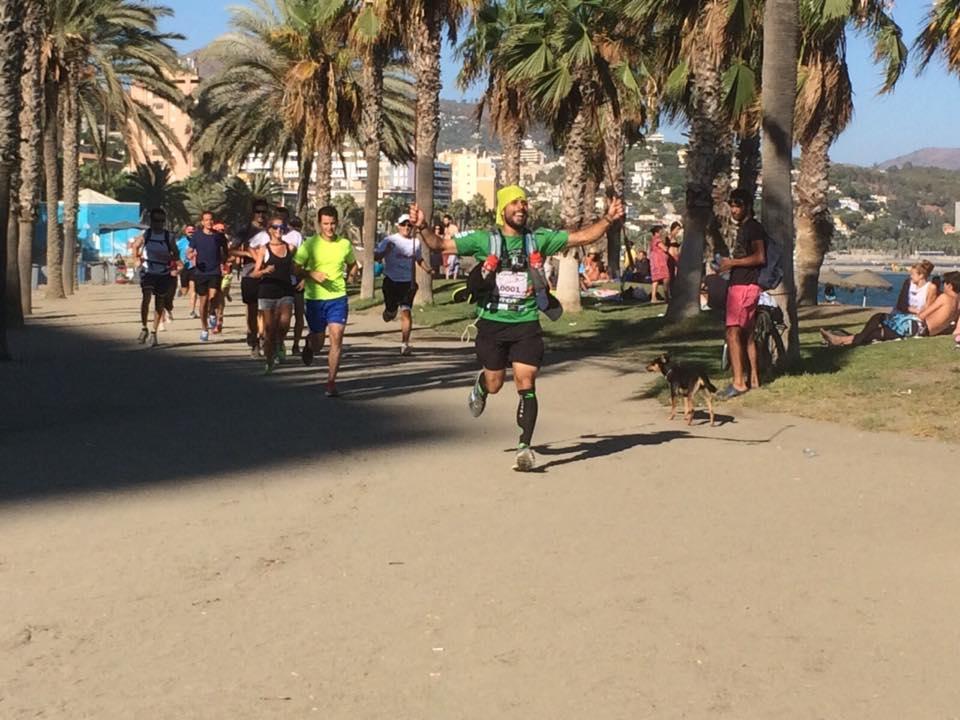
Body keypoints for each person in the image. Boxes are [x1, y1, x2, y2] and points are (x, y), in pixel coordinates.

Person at [410, 184, 626, 472]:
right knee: (496, 383)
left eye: (524, 203)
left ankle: (525, 447)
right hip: (492, 324)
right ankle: (482, 386)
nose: (521, 207)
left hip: (526, 324)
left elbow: (581, 237)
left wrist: (608, 218)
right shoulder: (484, 240)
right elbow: (439, 246)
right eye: (515, 203)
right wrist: (423, 227)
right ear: (502, 210)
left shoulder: (538, 240)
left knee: (526, 382)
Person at [293, 205, 359, 397]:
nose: (329, 228)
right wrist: (310, 273)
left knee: (337, 337)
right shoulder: (310, 244)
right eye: (325, 224)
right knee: (319, 343)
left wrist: (352, 275)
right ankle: (309, 344)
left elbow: (352, 264)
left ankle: (331, 382)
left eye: (332, 224)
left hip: (337, 298)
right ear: (319, 224)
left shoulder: (344, 244)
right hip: (315, 299)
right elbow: (294, 268)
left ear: (337, 223)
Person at [821, 261, 942, 347]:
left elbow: (927, 310)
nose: (910, 276)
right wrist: (914, 309)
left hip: (913, 321)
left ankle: (841, 340)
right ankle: (844, 340)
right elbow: (901, 304)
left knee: (876, 330)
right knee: (876, 322)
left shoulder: (930, 288)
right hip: (901, 315)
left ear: (921, 275)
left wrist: (912, 310)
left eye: (913, 274)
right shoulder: (908, 283)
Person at [718, 188, 766, 399]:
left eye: (738, 206)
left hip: (744, 286)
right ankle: (753, 378)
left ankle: (739, 383)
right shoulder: (746, 228)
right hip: (743, 284)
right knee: (747, 335)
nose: (734, 210)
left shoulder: (753, 228)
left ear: (747, 206)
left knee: (732, 332)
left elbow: (760, 257)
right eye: (732, 206)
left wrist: (733, 263)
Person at [375, 213, 431, 356]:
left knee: (406, 312)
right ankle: (389, 312)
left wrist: (428, 269)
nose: (407, 227)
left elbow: (418, 259)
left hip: (407, 283)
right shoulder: (389, 240)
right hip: (391, 281)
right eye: (404, 224)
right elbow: (376, 257)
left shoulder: (415, 243)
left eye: (409, 225)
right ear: (398, 226)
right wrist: (386, 251)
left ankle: (404, 344)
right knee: (391, 313)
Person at [251, 214, 296, 374]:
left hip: (286, 290)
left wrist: (302, 276)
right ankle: (269, 361)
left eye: (282, 228)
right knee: (269, 329)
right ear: (269, 230)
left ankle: (279, 343)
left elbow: (294, 268)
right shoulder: (264, 249)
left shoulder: (291, 247)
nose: (279, 230)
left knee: (284, 324)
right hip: (267, 291)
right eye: (275, 227)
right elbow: (254, 273)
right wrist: (265, 270)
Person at [132, 208, 181, 347]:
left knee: (159, 302)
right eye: (156, 221)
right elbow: (135, 246)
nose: (159, 224)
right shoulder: (146, 234)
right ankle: (144, 327)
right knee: (146, 297)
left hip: (163, 272)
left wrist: (168, 258)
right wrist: (136, 259)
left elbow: (176, 254)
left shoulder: (168, 237)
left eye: (161, 221)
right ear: (151, 221)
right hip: (148, 270)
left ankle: (154, 332)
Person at [231, 199, 271, 356]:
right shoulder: (245, 230)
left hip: (268, 273)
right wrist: (247, 253)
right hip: (250, 273)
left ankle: (264, 338)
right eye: (258, 211)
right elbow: (232, 250)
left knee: (267, 309)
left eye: (264, 212)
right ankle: (254, 338)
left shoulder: (272, 229)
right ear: (253, 213)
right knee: (253, 308)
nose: (261, 215)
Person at [187, 210, 228, 342]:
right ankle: (204, 329)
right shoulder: (197, 236)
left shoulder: (219, 236)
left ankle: (212, 313)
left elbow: (226, 252)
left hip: (215, 270)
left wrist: (225, 263)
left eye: (211, 219)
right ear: (202, 222)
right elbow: (190, 250)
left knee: (214, 296)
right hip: (200, 272)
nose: (209, 222)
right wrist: (190, 255)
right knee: (203, 302)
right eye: (206, 220)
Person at [285, 215, 307, 354]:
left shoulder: (286, 237)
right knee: (298, 315)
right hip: (296, 279)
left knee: (285, 315)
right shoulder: (298, 236)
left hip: (289, 279)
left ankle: (281, 343)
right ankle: (295, 345)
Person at [176, 226, 198, 319]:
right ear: (185, 232)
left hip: (195, 267)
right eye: (189, 231)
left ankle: (192, 311)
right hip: (184, 268)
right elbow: (174, 253)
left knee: (193, 291)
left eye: (192, 231)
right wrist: (177, 264)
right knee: (185, 291)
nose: (191, 233)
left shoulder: (199, 241)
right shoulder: (180, 242)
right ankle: (181, 289)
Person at [648, 225, 671, 303]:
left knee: (656, 280)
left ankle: (653, 297)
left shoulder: (652, 240)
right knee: (666, 278)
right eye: (661, 231)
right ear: (657, 232)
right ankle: (666, 297)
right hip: (660, 262)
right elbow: (664, 248)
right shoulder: (657, 240)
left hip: (654, 262)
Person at [442, 214, 461, 279]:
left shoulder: (454, 227)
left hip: (452, 247)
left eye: (446, 220)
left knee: (453, 261)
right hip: (446, 247)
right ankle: (447, 277)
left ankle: (454, 277)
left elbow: (457, 236)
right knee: (446, 262)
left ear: (449, 221)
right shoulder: (444, 228)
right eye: (444, 220)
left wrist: (451, 236)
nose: (445, 222)